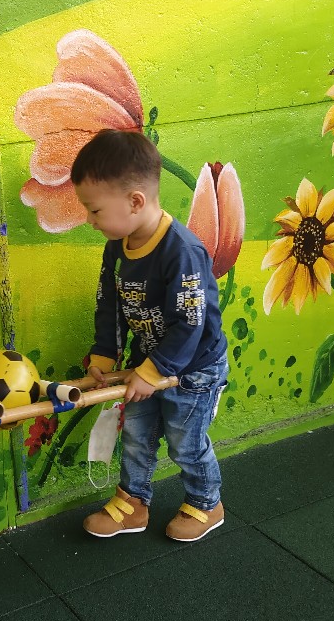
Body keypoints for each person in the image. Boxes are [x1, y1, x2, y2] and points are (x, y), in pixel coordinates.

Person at [72, 129, 229, 542]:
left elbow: (191, 323)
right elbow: (110, 305)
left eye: (94, 210)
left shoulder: (182, 251)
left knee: (184, 442)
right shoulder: (117, 246)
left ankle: (207, 502)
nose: (89, 220)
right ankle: (134, 502)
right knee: (137, 436)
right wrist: (104, 355)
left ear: (135, 201)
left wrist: (154, 370)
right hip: (147, 363)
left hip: (193, 369)